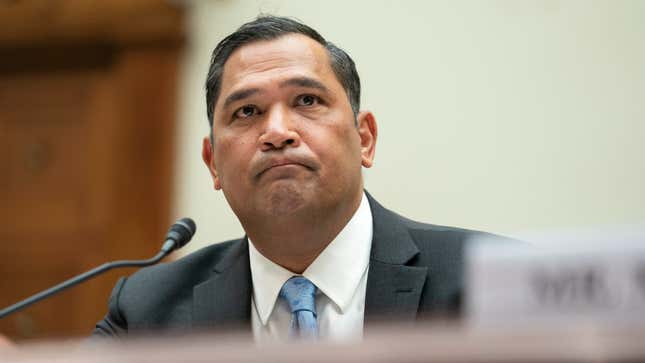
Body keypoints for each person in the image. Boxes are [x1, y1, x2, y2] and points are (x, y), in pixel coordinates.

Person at [93, 15, 496, 341]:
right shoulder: (148, 311)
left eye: (307, 101)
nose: (277, 132)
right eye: (247, 111)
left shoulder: (486, 282)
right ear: (213, 161)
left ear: (365, 139)